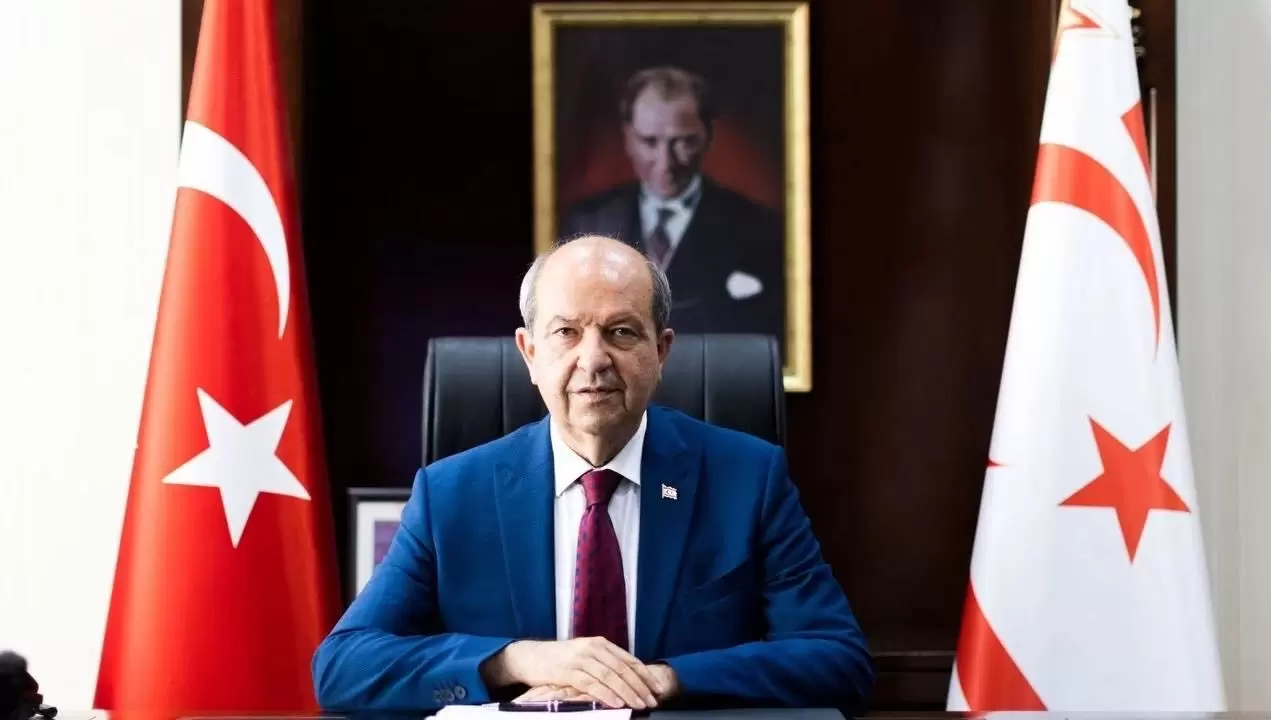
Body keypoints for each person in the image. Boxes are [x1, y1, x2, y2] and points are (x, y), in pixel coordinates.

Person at [311, 235, 871, 713]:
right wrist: (514, 661)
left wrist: (665, 679)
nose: (594, 358)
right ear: (530, 353)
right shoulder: (451, 494)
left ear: (661, 351)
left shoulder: (747, 479)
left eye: (621, 331)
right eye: (566, 332)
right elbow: (343, 667)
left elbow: (838, 660)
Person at [559, 66, 787, 356]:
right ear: (628, 138)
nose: (665, 162)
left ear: (707, 136)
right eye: (649, 141)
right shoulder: (586, 222)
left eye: (683, 142)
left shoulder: (756, 227)